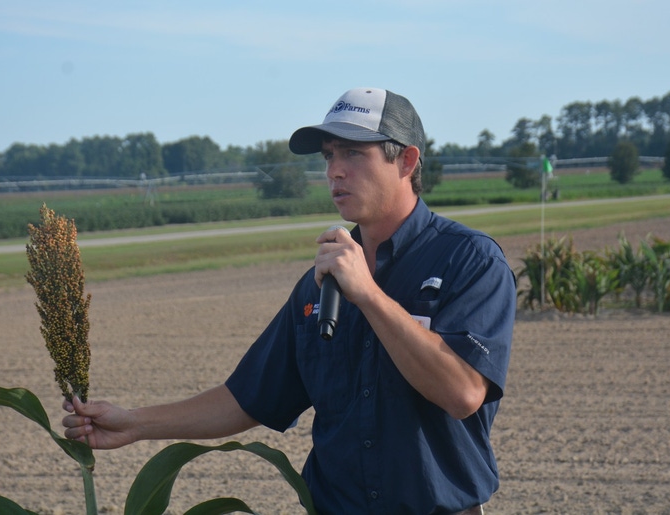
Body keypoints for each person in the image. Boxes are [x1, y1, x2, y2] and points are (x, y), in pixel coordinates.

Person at [63, 87, 516, 514]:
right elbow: (247, 399)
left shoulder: (468, 260)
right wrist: (136, 423)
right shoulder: (318, 286)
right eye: (329, 156)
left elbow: (463, 393)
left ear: (406, 161)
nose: (334, 170)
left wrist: (368, 294)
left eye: (354, 153)